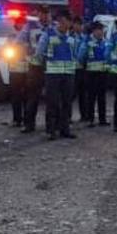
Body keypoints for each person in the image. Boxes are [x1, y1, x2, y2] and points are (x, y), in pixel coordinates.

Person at [39, 11, 78, 140]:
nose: (69, 24)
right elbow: (40, 52)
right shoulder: (48, 34)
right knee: (52, 102)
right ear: (61, 20)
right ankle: (51, 130)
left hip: (68, 74)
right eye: (67, 21)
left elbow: (75, 54)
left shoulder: (72, 36)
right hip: (53, 73)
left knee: (67, 102)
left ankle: (64, 129)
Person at [15, 7, 49, 134]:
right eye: (42, 13)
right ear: (38, 14)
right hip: (35, 66)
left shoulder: (52, 27)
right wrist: (28, 50)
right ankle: (29, 124)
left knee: (52, 97)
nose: (45, 16)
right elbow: (18, 42)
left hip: (51, 66)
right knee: (32, 96)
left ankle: (51, 125)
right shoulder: (30, 27)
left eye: (47, 14)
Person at [79, 21, 110, 127]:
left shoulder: (105, 42)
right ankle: (90, 119)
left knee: (102, 97)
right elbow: (81, 56)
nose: (101, 32)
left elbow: (108, 55)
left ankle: (102, 119)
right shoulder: (87, 42)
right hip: (91, 73)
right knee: (91, 97)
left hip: (103, 73)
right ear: (94, 31)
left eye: (102, 30)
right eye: (99, 30)